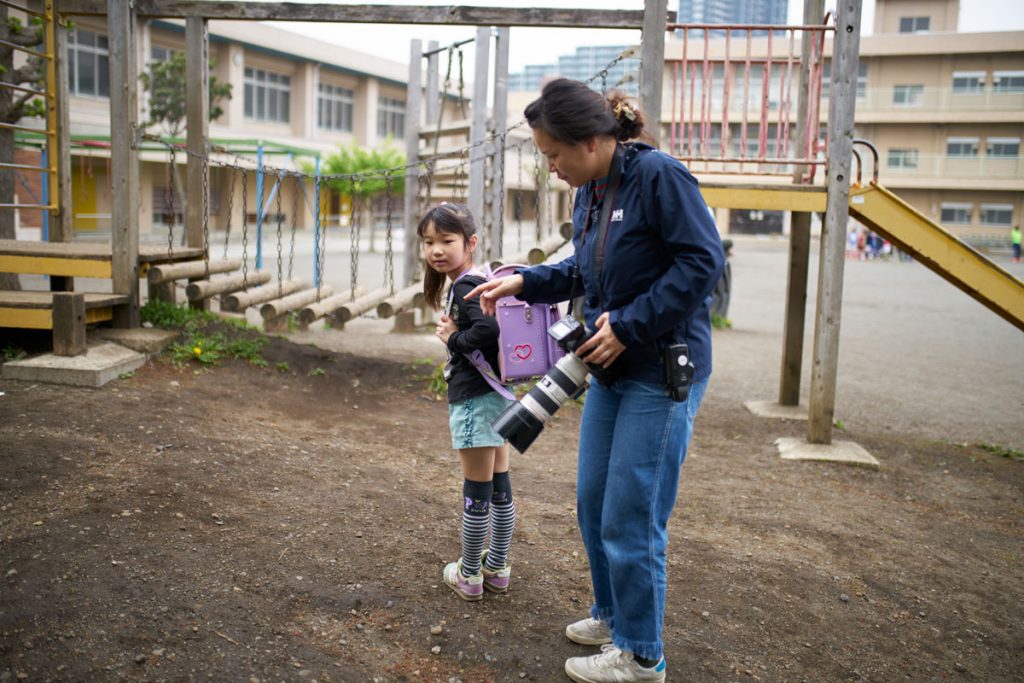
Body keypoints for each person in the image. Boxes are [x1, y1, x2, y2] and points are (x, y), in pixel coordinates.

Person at [466, 79, 724, 683]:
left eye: (554, 154)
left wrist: (632, 325)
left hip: (660, 371)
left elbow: (702, 261)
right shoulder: (590, 190)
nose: (550, 166)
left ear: (590, 141)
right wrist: (525, 282)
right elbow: (584, 268)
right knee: (593, 504)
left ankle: (641, 655)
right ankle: (613, 614)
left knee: (632, 514)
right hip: (609, 368)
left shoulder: (659, 176)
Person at [418, 202, 516, 602]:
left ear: (470, 242)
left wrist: (453, 339)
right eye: (428, 242)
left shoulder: (464, 286)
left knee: (477, 490)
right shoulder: (481, 278)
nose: (436, 250)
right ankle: (497, 568)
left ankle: (470, 574)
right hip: (499, 394)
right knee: (500, 487)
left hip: (475, 398)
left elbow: (488, 330)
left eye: (447, 240)